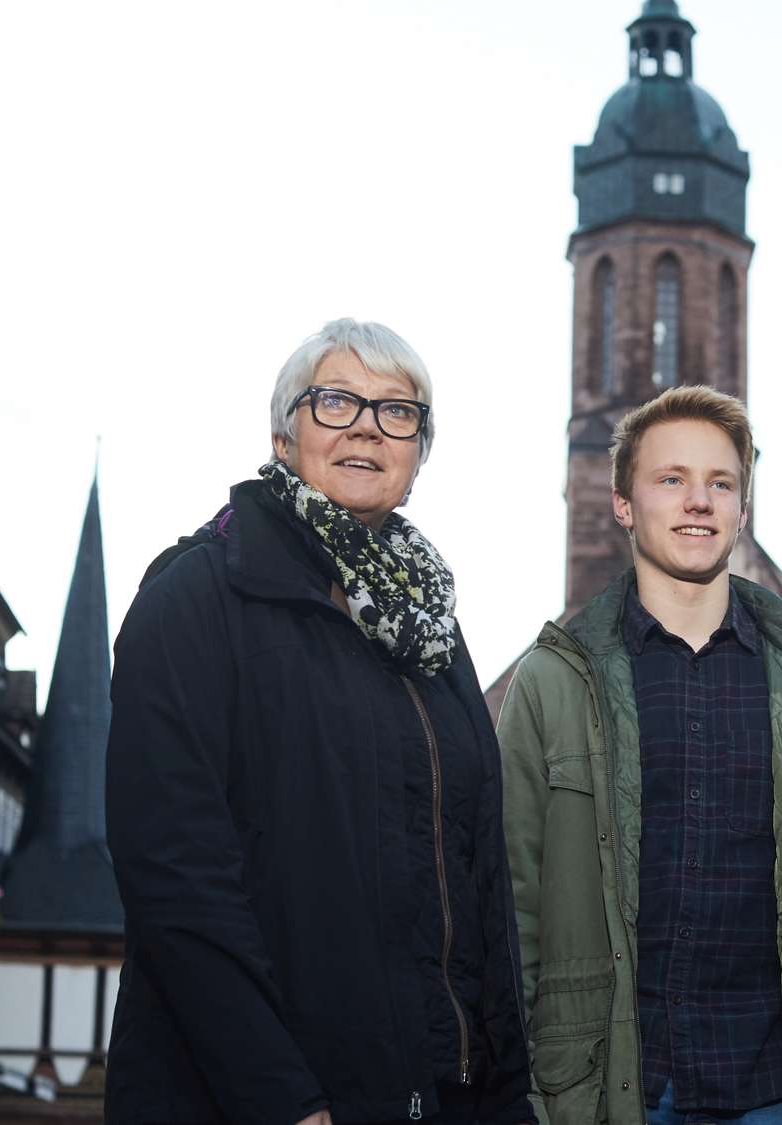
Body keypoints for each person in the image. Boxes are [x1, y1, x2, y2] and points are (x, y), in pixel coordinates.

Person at [105, 319, 531, 1124]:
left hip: (442, 1097)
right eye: (336, 401)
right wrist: (282, 1099)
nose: (368, 424)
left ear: (415, 461)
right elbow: (174, 876)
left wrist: (508, 1096)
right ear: (282, 436)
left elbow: (480, 887)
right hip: (264, 1100)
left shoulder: (435, 635)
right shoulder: (196, 599)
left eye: (398, 411)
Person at [496, 386, 782, 1125]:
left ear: (742, 508)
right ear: (624, 503)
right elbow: (512, 908)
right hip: (608, 1094)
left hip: (778, 1094)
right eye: (671, 479)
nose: (699, 501)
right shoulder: (555, 680)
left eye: (720, 483)